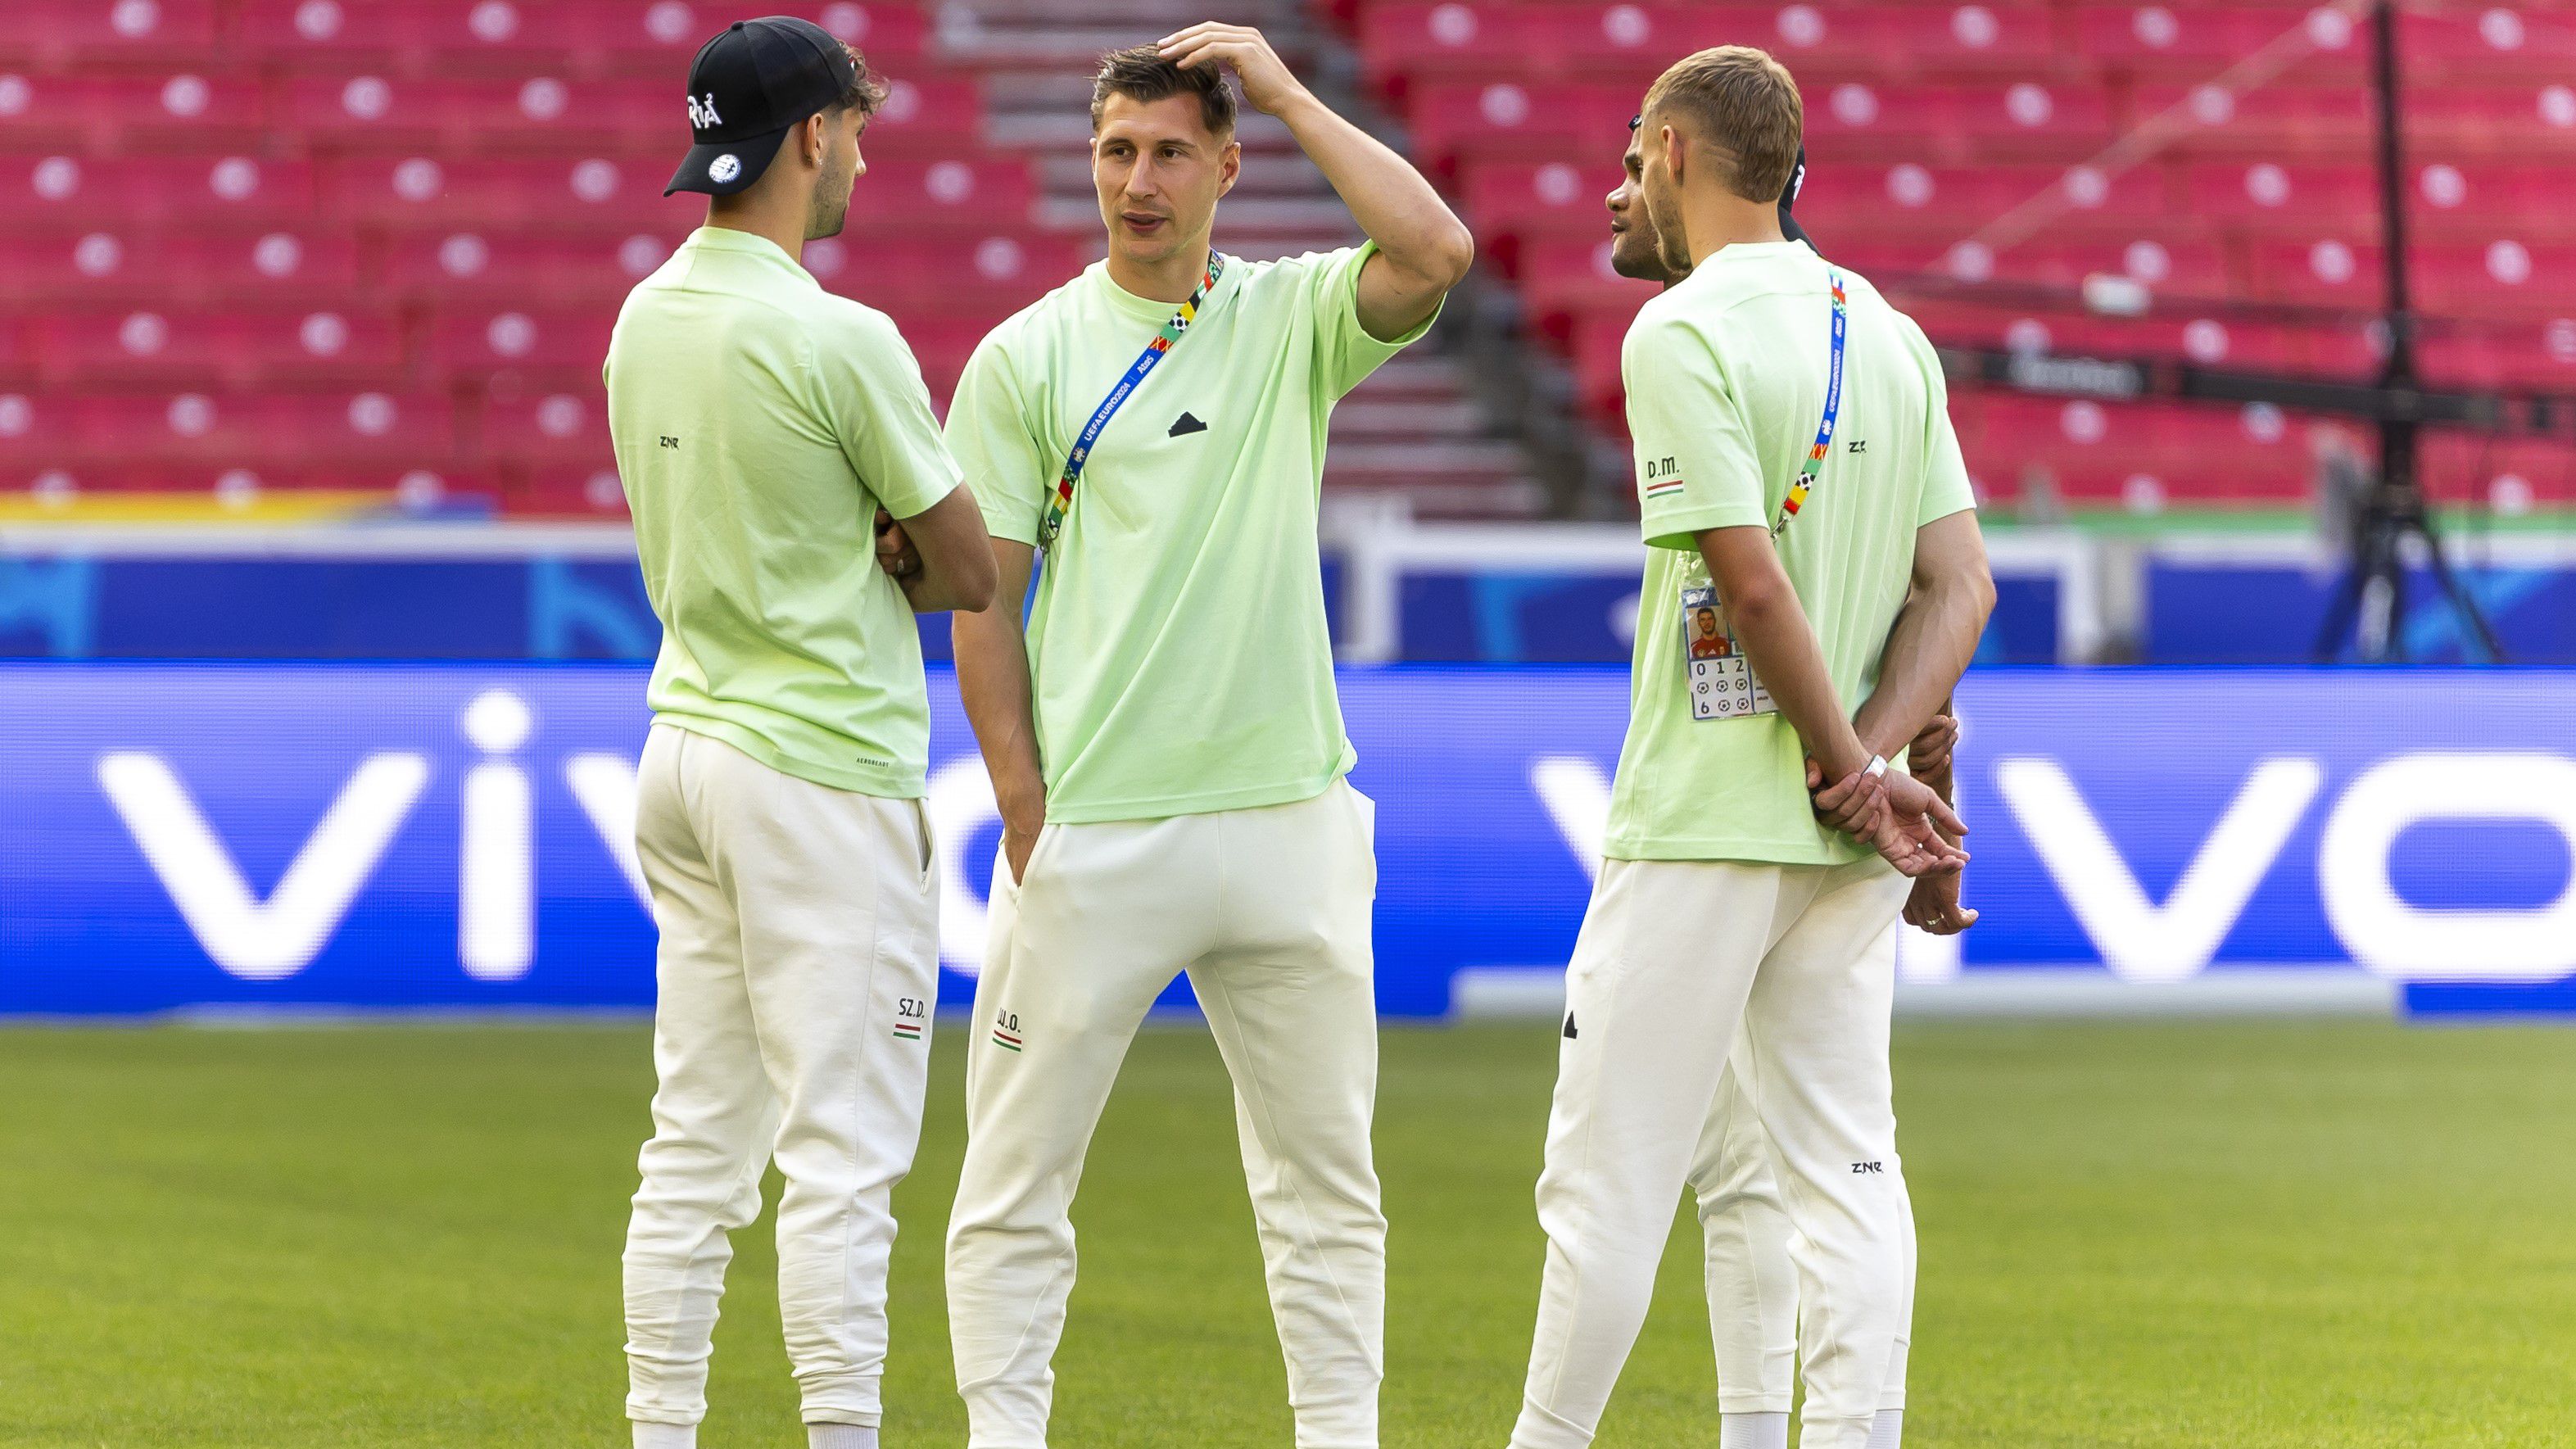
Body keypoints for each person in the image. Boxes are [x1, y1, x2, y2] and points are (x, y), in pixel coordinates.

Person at [927, 25, 1471, 1448]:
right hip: (1100, 824)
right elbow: (981, 595)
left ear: (1230, 166)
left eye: (1172, 151)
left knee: (1324, 1182)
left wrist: (1290, 87)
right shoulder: (1025, 354)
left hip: (1289, 817)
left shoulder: (1289, 314)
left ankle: (1341, 1435)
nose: (1139, 180)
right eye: (1116, 151)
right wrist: (1019, 793)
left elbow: (1436, 254)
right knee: (1014, 1177)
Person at [1510, 46, 1993, 1449]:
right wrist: (1875, 765)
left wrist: (1846, 759)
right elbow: (1959, 585)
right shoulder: (1886, 329)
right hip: (1843, 845)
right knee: (1839, 1171)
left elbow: (1750, 583)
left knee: (1605, 1184)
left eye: (1622, 161)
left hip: (1703, 829)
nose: (1613, 194)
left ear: (1671, 150)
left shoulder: (1678, 331)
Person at [604, 19, 996, 1449]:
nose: (863, 158)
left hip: (687, 744)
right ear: (816, 135)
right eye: (856, 130)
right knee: (843, 1153)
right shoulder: (838, 333)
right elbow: (968, 570)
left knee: (695, 1145)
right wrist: (888, 547)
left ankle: (662, 1431)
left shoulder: (645, 313)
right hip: (820, 769)